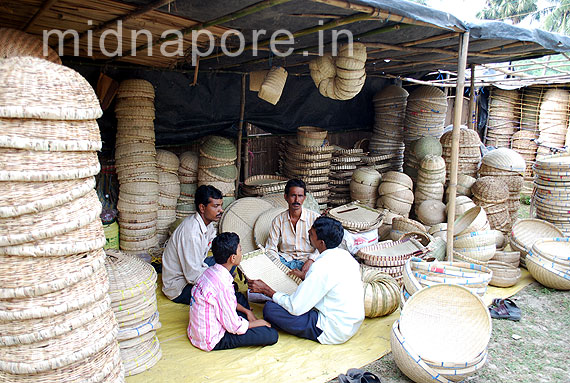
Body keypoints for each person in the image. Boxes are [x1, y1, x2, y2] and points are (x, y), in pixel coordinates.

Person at [248, 216, 364, 345]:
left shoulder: (321, 267)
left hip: (331, 330)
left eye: (312, 233)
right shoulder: (345, 256)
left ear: (321, 243)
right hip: (351, 324)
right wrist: (305, 277)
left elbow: (295, 308)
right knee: (287, 297)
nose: (308, 233)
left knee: (270, 308)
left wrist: (267, 290)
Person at [188, 232, 278, 351]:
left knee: (239, 297)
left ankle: (244, 316)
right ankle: (247, 321)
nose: (242, 253)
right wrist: (258, 323)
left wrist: (247, 311)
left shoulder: (209, 272)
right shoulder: (223, 285)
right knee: (270, 334)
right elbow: (234, 327)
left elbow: (227, 301)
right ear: (233, 258)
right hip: (211, 339)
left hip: (197, 331)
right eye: (240, 250)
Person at [162, 185, 223, 304]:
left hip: (195, 268)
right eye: (215, 206)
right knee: (221, 295)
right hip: (180, 287)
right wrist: (220, 279)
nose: (221, 210)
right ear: (202, 207)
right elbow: (193, 276)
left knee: (228, 259)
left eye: (221, 205)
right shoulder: (191, 233)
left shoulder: (208, 224)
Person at [265, 179, 320, 277]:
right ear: (286, 197)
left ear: (304, 198)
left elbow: (323, 245)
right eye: (293, 195)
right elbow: (270, 248)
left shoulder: (314, 218)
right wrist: (278, 266)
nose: (297, 200)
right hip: (285, 260)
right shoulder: (278, 220)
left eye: (300, 196)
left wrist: (312, 260)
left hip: (308, 261)